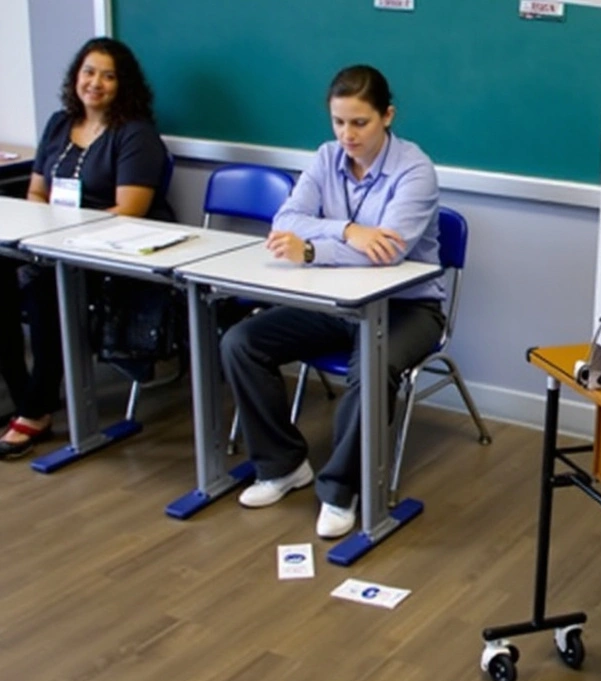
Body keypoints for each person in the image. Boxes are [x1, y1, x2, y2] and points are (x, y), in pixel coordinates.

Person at [221, 65, 446, 539]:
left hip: (407, 307)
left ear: (388, 115)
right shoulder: (326, 158)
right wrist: (348, 230)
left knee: (373, 362)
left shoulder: (415, 170)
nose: (347, 135)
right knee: (241, 342)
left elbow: (389, 254)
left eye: (359, 123)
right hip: (335, 301)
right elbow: (286, 217)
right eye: (339, 122)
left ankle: (342, 490)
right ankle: (282, 465)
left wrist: (313, 250)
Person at [0, 37, 172, 460]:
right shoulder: (60, 123)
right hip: (51, 243)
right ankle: (27, 393)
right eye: (88, 72)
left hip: (109, 251)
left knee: (45, 289)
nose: (95, 83)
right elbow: (36, 190)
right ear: (76, 77)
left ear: (123, 84)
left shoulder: (135, 134)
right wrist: (47, 232)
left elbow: (129, 210)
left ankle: (36, 410)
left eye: (108, 76)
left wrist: (64, 238)